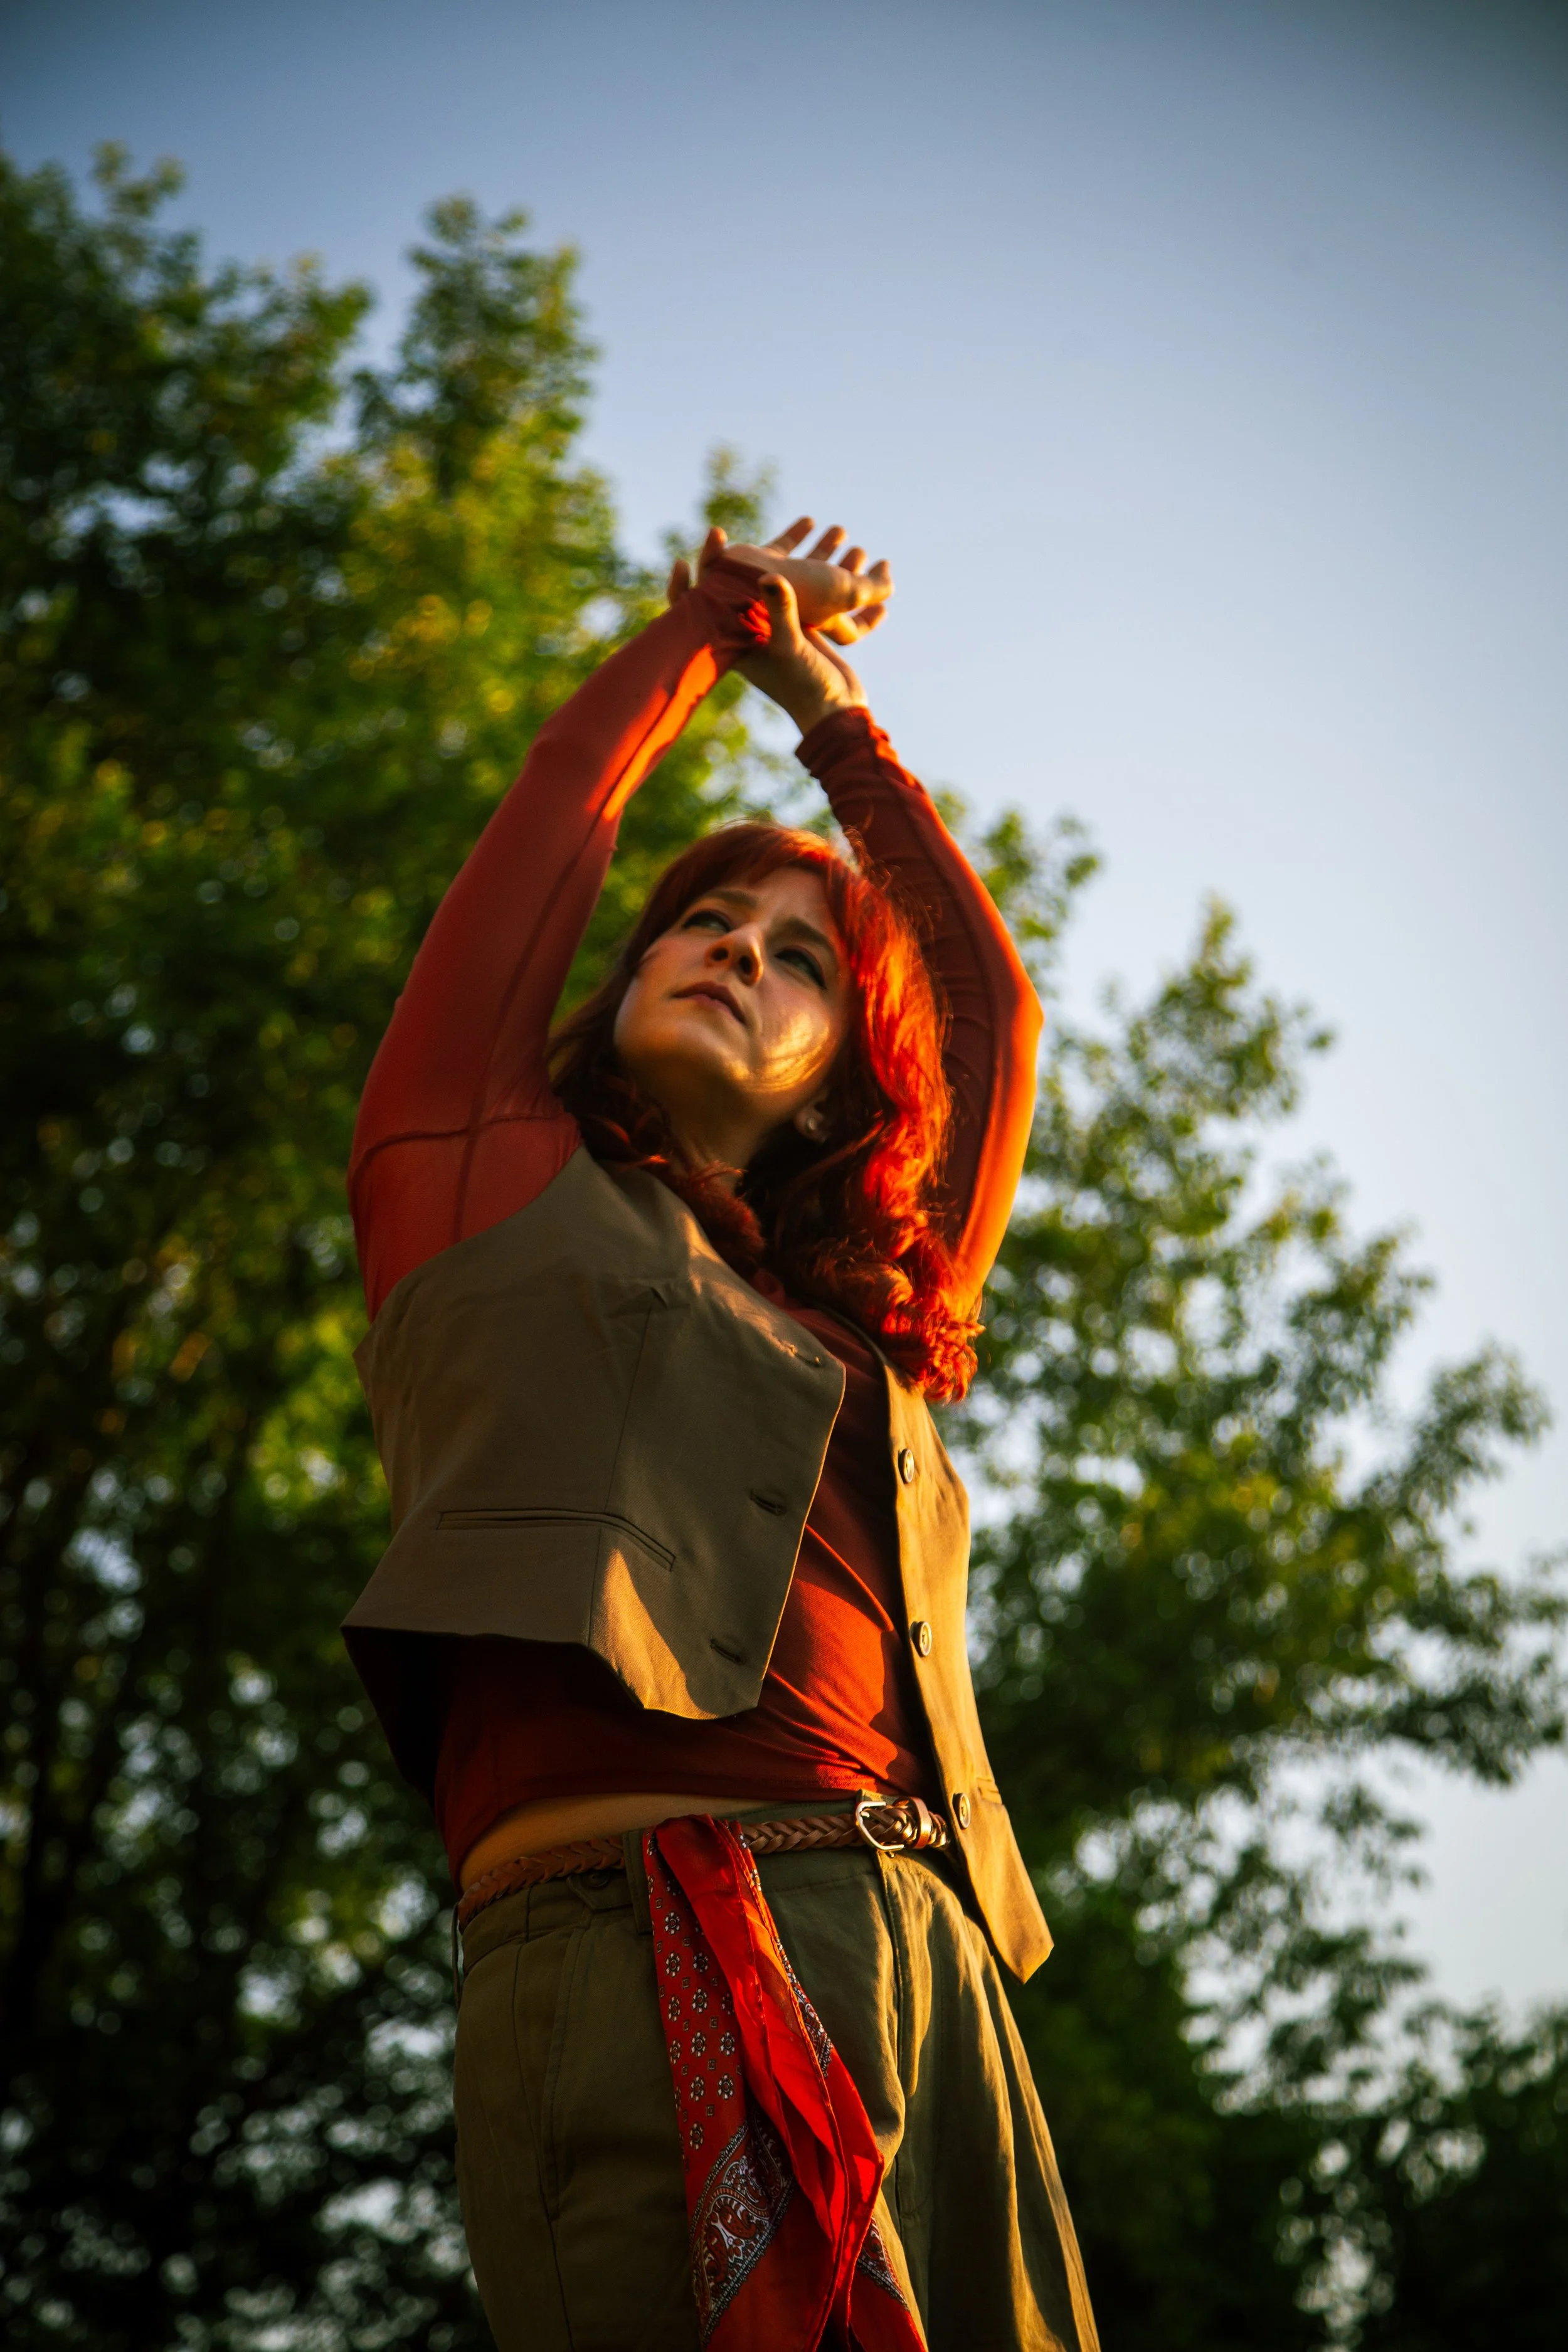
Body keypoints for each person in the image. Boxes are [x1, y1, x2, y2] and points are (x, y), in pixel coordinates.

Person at [343, 516, 1100, 2352]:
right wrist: (714, 630)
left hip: (932, 1953)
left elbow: (986, 1014)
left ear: (840, 1063)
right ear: (624, 972)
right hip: (643, 1921)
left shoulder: (879, 1308)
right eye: (704, 922)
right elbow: (554, 815)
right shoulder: (480, 1172)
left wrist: (836, 721)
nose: (741, 955)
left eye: (797, 958)